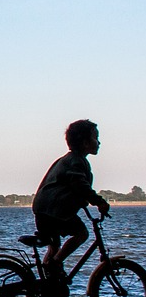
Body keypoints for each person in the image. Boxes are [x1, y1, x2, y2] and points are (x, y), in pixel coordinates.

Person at [32, 119, 110, 280]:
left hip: (44, 211)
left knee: (54, 247)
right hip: (54, 212)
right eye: (95, 138)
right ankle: (54, 265)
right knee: (82, 234)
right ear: (84, 142)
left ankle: (48, 282)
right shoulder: (76, 161)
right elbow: (80, 185)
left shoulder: (68, 160)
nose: (99, 142)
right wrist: (99, 201)